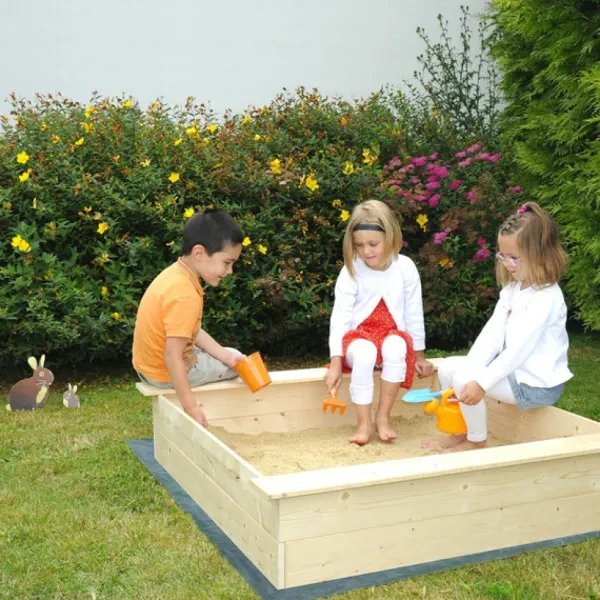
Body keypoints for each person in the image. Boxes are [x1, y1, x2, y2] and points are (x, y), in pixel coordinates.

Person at [427, 202, 573, 453]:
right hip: (515, 374)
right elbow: (491, 337)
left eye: (514, 258)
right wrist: (472, 369)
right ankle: (459, 432)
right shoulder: (513, 290)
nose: (507, 263)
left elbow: (517, 351)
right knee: (449, 369)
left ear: (540, 254)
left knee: (464, 379)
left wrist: (480, 382)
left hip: (535, 384)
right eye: (503, 256)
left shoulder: (546, 298)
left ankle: (476, 441)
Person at [325, 199, 434, 445]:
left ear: (391, 237)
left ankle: (383, 417)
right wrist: (336, 362)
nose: (366, 251)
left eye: (373, 244)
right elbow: (340, 317)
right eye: (359, 245)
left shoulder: (405, 268)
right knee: (365, 353)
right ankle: (363, 423)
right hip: (358, 338)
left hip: (391, 335)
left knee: (396, 347)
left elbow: (414, 314)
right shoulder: (351, 270)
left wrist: (419, 356)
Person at [132, 209, 245, 427]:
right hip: (163, 373)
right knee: (237, 361)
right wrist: (190, 407)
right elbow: (172, 356)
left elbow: (190, 330)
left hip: (147, 367)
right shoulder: (185, 295)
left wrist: (224, 355)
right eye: (227, 262)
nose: (230, 271)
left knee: (228, 355)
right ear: (199, 253)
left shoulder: (174, 275)